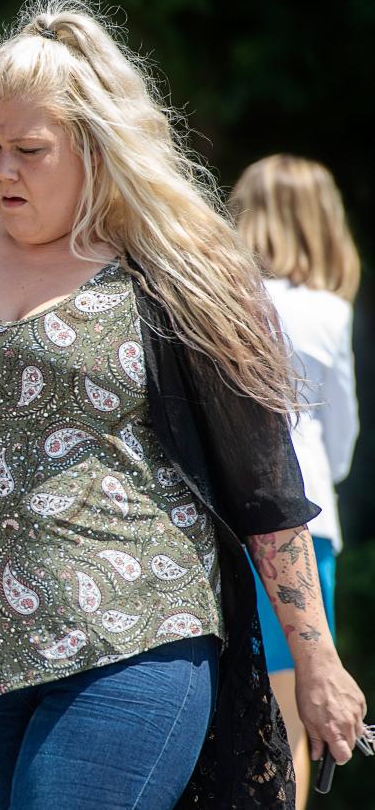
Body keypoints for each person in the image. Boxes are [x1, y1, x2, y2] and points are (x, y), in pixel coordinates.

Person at [0, 0, 366, 809]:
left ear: (98, 148)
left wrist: (317, 661)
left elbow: (265, 487)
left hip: (136, 641)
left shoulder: (177, 274)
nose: (1, 170)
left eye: (30, 149)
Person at [231, 154, 361, 809]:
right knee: (288, 712)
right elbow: (340, 441)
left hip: (227, 521)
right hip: (304, 532)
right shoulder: (327, 314)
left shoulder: (219, 300)